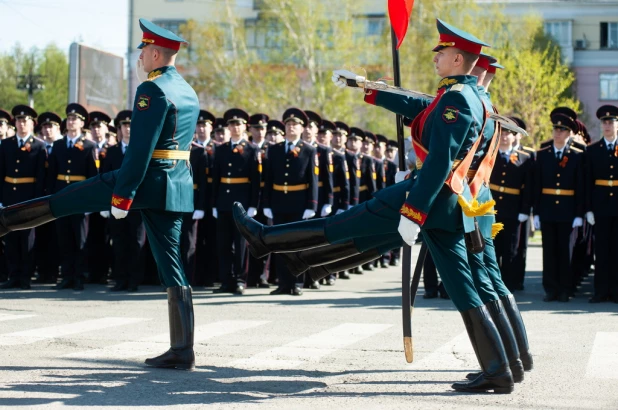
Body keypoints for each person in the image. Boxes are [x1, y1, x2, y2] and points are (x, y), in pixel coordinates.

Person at [234, 19, 517, 394]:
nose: (436, 58)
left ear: (459, 59)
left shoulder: (457, 99)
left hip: (430, 199)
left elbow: (439, 161)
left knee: (346, 223)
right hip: (450, 204)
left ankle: (265, 239)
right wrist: (368, 89)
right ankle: (502, 366)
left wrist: (414, 211)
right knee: (464, 285)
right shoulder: (469, 95)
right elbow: (419, 104)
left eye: (442, 53)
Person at [0, 19, 199, 370]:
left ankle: (4, 221)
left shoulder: (152, 91)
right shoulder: (187, 90)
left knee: (68, 199)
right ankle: (183, 350)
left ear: (154, 53)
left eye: (142, 54)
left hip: (144, 180)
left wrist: (122, 197)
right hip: (175, 186)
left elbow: (139, 150)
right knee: (172, 263)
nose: (140, 60)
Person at [262, 108, 318, 296]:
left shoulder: (309, 150)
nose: (291, 127)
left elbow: (313, 180)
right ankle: (283, 283)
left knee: (297, 245)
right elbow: (268, 179)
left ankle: (297, 283)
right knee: (280, 244)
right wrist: (267, 204)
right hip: (279, 202)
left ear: (302, 128)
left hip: (299, 203)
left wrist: (311, 205)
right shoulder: (274, 149)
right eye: (288, 124)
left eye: (295, 124)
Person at [533, 110, 585, 303]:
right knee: (549, 251)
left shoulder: (577, 156)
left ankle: (565, 288)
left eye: (562, 130)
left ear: (569, 133)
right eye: (556, 129)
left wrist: (579, 213)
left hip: (567, 210)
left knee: (565, 252)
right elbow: (537, 185)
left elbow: (581, 186)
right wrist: (535, 212)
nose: (558, 133)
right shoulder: (543, 154)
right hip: (547, 209)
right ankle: (550, 288)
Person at [48, 103, 98, 291]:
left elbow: (93, 177)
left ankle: (79, 276)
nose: (70, 121)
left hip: (79, 198)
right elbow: (52, 173)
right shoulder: (59, 145)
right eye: (69, 118)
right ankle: (67, 275)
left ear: (82, 123)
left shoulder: (88, 146)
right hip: (61, 196)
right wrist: (52, 197)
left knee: (80, 239)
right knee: (64, 238)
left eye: (74, 119)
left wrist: (89, 202)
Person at [211, 108, 260, 295]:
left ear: (244, 127)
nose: (235, 127)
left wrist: (254, 204)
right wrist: (215, 203)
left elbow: (256, 181)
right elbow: (216, 178)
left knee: (240, 245)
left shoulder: (252, 149)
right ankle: (226, 280)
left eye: (238, 124)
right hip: (223, 201)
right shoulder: (221, 149)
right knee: (223, 244)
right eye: (231, 124)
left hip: (242, 203)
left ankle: (240, 279)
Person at [0, 105, 46, 290]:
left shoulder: (38, 146)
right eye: (18, 121)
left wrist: (36, 201)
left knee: (27, 238)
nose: (21, 124)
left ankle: (25, 276)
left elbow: (40, 177)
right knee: (11, 239)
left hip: (28, 198)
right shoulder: (6, 144)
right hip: (10, 196)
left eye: (25, 121)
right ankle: (14, 275)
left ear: (32, 124)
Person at [100, 110, 147, 292]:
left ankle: (134, 280)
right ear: (119, 129)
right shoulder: (111, 152)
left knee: (136, 243)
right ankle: (120, 279)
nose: (128, 129)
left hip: (136, 204)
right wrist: (105, 204)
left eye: (131, 125)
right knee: (119, 243)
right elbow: (104, 179)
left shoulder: (142, 150)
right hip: (116, 204)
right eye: (124, 125)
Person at [585, 105, 618, 303]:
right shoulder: (593, 150)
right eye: (604, 122)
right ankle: (600, 291)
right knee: (601, 251)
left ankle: (615, 291)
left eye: (611, 122)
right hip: (601, 207)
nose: (607, 125)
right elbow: (587, 182)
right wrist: (588, 208)